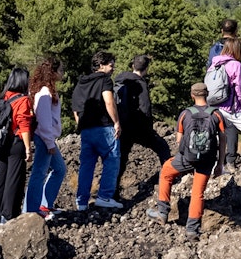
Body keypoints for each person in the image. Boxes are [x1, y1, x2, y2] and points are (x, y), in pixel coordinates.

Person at [147, 82, 227, 241]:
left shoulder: (185, 114)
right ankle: (192, 231)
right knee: (198, 193)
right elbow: (223, 140)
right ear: (207, 94)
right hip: (207, 160)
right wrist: (220, 164)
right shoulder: (217, 114)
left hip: (186, 158)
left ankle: (162, 213)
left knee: (166, 173)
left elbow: (178, 141)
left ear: (192, 95)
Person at [71, 50, 122, 210]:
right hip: (103, 127)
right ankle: (105, 197)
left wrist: (81, 125)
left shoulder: (81, 83)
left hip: (86, 129)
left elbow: (76, 108)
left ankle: (81, 201)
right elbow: (109, 101)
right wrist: (117, 122)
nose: (113, 68)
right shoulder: (105, 80)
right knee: (112, 160)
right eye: (111, 65)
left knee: (86, 165)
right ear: (101, 65)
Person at [115, 55, 171, 193]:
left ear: (132, 66)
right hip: (138, 127)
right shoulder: (141, 83)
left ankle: (113, 191)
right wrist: (148, 129)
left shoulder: (120, 80)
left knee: (121, 158)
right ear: (146, 69)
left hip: (123, 126)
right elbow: (145, 108)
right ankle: (169, 178)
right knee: (162, 147)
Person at [0, 67, 33, 227]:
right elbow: (24, 125)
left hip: (1, 144)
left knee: (0, 179)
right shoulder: (23, 100)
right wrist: (28, 148)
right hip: (16, 142)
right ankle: (8, 216)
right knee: (13, 179)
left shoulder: (4, 98)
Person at [207, 37, 241, 175]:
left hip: (213, 106)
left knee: (217, 136)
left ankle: (215, 168)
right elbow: (240, 88)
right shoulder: (236, 65)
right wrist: (240, 106)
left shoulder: (214, 64)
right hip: (230, 107)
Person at [25, 56, 66, 218]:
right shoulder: (44, 92)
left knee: (59, 169)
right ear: (52, 72)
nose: (63, 73)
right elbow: (44, 121)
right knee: (39, 173)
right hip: (44, 138)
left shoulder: (44, 90)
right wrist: (49, 143)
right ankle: (31, 211)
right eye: (60, 70)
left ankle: (44, 205)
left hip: (46, 138)